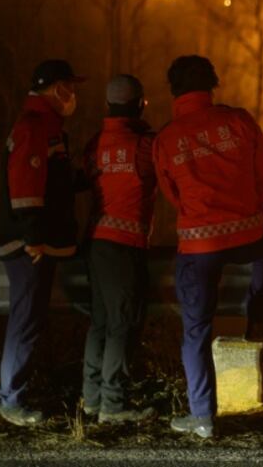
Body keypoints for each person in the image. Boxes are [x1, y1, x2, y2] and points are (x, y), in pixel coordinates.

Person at [153, 55, 263, 439]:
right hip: (248, 234)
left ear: (174, 91)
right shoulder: (238, 120)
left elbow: (170, 193)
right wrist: (255, 213)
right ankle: (258, 318)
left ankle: (203, 417)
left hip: (198, 245)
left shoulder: (166, 138)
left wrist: (199, 220)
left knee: (196, 330)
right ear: (212, 85)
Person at [0, 59, 85, 426]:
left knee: (30, 320)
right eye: (68, 86)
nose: (73, 95)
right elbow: (26, 185)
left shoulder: (47, 126)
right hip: (29, 246)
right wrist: (33, 238)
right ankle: (10, 401)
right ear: (54, 89)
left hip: (38, 243)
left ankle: (13, 397)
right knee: (25, 321)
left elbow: (53, 181)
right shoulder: (35, 126)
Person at [81, 74, 156, 424]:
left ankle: (92, 399)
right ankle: (113, 404)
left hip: (96, 244)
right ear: (139, 103)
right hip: (125, 247)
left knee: (100, 322)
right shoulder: (144, 147)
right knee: (122, 324)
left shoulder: (94, 144)